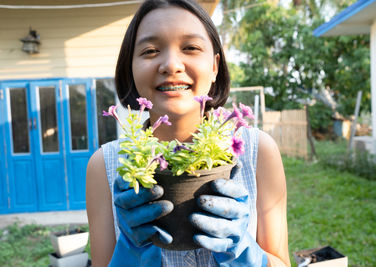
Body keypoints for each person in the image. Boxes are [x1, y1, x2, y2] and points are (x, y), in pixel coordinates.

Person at [86, 0, 290, 266]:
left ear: (215, 66)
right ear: (131, 67)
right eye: (150, 50)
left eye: (190, 48)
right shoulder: (105, 166)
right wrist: (130, 252)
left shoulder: (257, 150)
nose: (171, 65)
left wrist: (245, 253)